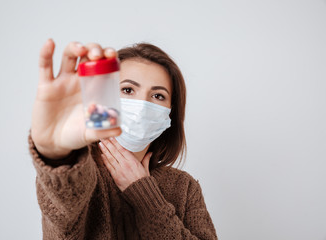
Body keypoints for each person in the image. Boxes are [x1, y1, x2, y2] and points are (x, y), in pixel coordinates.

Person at [29, 39, 218, 239]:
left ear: (170, 113)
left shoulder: (184, 187)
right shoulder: (79, 176)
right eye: (127, 90)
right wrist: (56, 155)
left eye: (158, 96)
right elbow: (62, 204)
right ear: (103, 96)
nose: (142, 105)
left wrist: (145, 196)